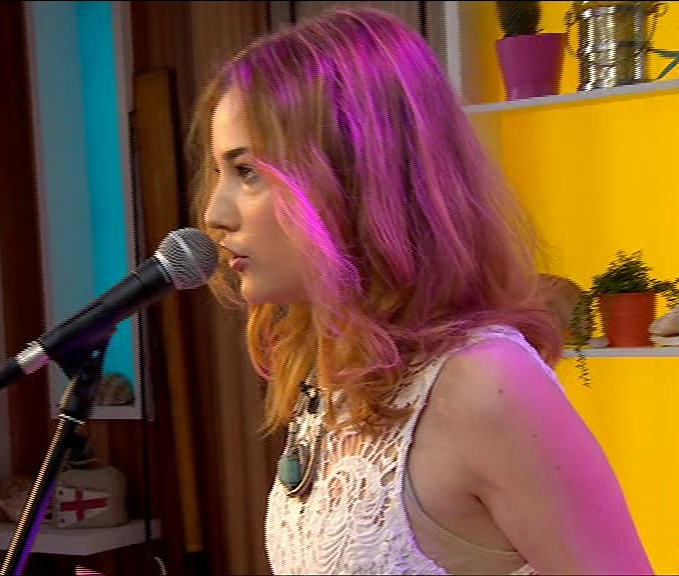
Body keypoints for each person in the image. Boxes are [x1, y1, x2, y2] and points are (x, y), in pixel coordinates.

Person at [189, 8, 653, 576]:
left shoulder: (485, 382)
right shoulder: (339, 368)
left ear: (357, 174)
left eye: (248, 171)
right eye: (220, 172)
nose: (214, 213)